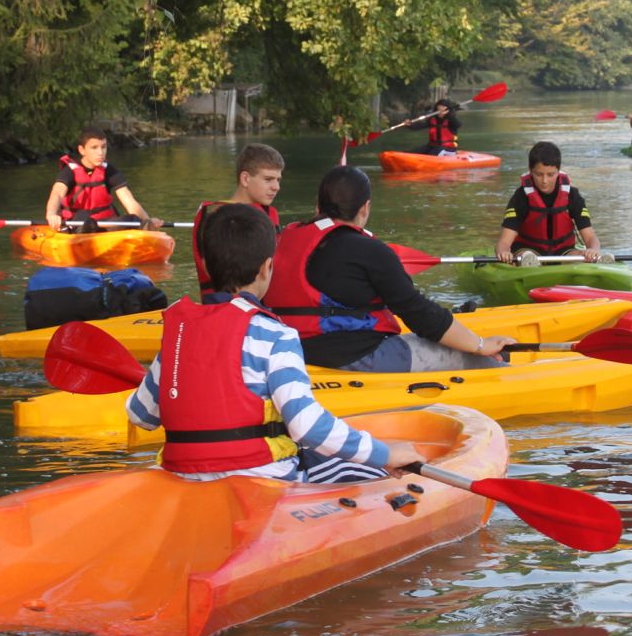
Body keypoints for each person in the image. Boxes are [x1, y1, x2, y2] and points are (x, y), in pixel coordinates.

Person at [127, 203, 424, 483]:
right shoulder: (275, 334)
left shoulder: (179, 333)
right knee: (372, 469)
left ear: (205, 264)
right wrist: (386, 454)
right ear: (266, 267)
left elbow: (140, 415)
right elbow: (307, 427)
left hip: (184, 477)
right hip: (262, 479)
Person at [266, 165, 515, 371]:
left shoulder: (280, 240)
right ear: (365, 207)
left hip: (291, 351)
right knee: (485, 361)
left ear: (317, 206)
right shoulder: (370, 250)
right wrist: (480, 345)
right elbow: (419, 314)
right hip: (354, 357)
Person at [191, 143, 284, 297]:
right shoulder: (213, 215)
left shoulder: (269, 213)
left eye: (278, 180)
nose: (276, 187)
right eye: (268, 179)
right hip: (226, 303)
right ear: (245, 178)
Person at [495, 141, 603, 265]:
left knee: (582, 256)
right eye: (539, 174)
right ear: (530, 170)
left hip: (564, 253)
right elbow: (504, 241)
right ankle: (530, 264)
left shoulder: (572, 196)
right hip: (527, 251)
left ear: (558, 171)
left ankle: (599, 262)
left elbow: (590, 237)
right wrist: (503, 252)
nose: (545, 181)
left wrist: (593, 250)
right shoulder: (520, 197)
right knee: (526, 256)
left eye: (551, 175)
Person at [43, 127, 165, 232]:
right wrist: (51, 214)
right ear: (82, 150)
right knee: (84, 217)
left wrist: (147, 221)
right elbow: (57, 194)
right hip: (79, 224)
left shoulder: (109, 171)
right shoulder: (69, 171)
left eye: (103, 147)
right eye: (94, 148)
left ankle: (142, 231)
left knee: (133, 219)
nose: (100, 152)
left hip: (104, 224)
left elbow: (129, 201)